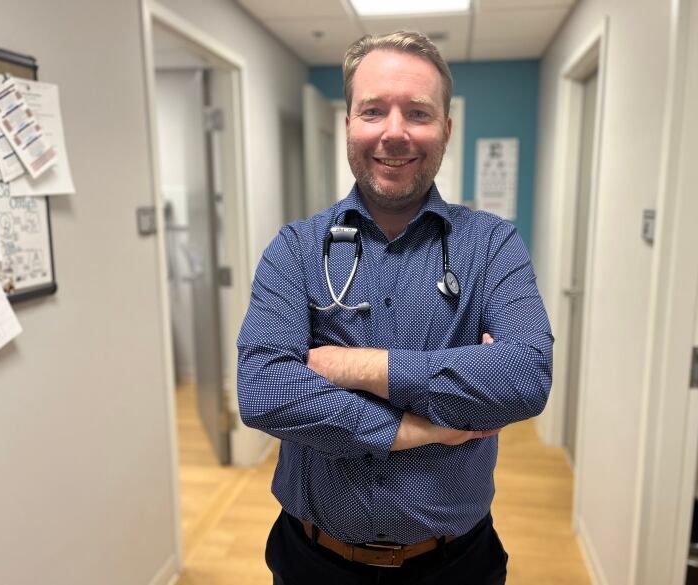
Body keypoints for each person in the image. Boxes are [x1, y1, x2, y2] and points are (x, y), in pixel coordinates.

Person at [237, 30, 553, 585]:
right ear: (348, 125)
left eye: (418, 112)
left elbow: (527, 376)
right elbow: (264, 390)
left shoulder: (492, 246)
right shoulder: (295, 249)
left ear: (447, 130)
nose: (394, 132)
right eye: (374, 110)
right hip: (315, 561)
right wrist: (420, 428)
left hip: (455, 564)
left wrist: (354, 367)